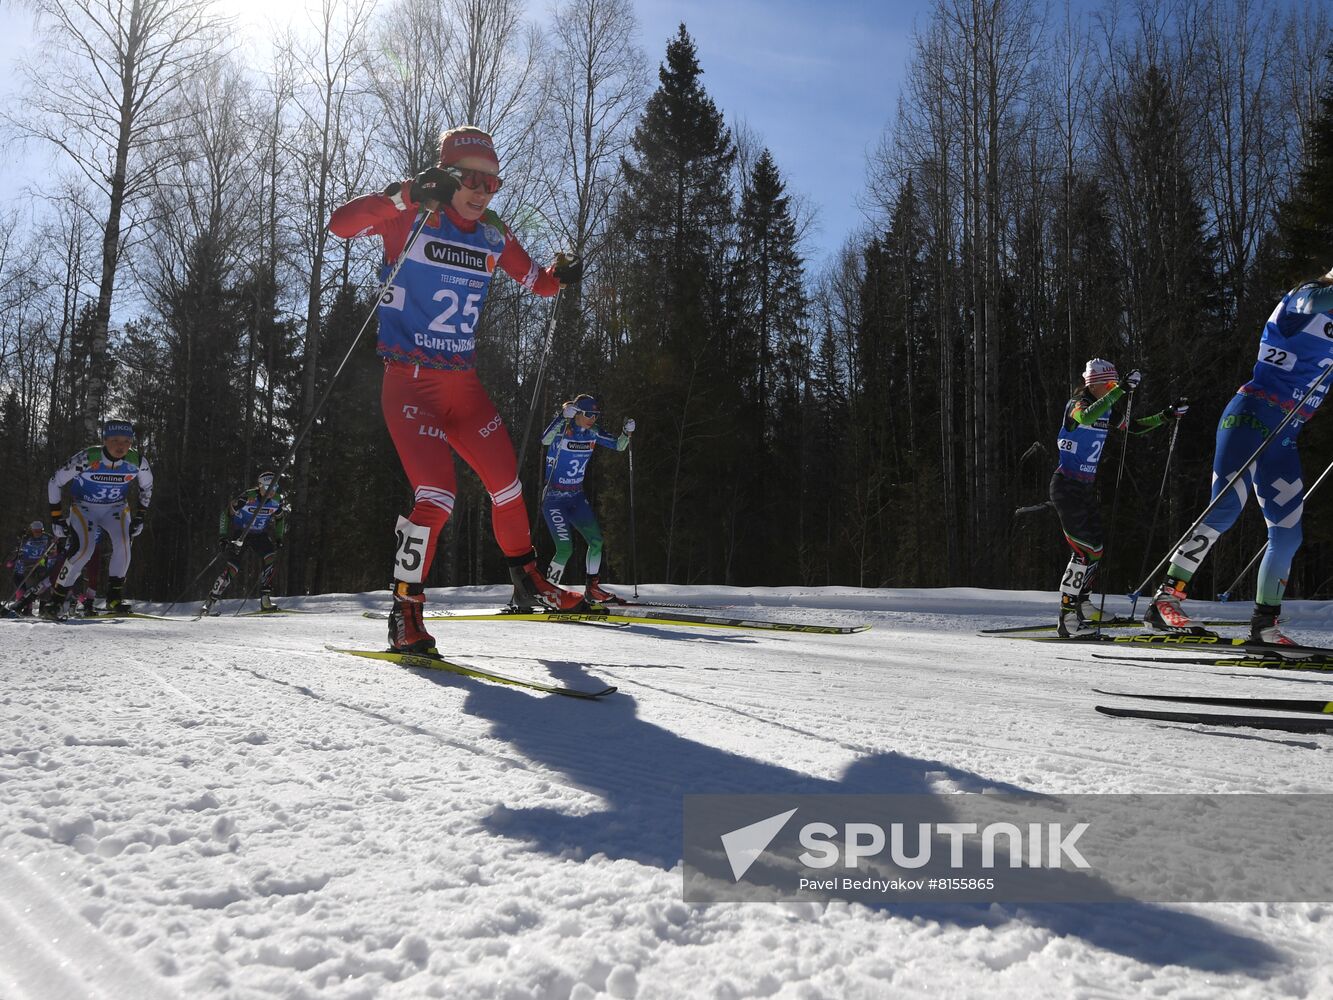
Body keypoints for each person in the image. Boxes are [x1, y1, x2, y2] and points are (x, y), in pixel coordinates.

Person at [328, 124, 585, 654]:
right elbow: (340, 225)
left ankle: (527, 579)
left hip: (463, 387)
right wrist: (403, 193)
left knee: (506, 482)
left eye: (492, 183)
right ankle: (405, 610)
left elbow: (534, 280)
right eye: (471, 178)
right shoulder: (413, 213)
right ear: (447, 175)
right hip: (409, 385)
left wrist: (562, 274)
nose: (481, 191)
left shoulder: (492, 232)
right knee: (438, 496)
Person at [1147, 270, 1333, 644]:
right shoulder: (1307, 295)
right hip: (1250, 414)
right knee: (1226, 507)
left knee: (1288, 533)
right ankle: (1164, 601)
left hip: (1286, 435)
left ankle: (1264, 624)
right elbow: (1315, 303)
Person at [1051, 359, 1187, 637]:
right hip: (1066, 486)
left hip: (1084, 488)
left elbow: (1133, 427)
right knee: (1084, 550)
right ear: (1095, 384)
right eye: (1109, 384)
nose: (1113, 389)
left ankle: (1083, 605)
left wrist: (1166, 416)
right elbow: (1085, 417)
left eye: (1115, 384)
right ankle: (1066, 618)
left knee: (1096, 550)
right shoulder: (1076, 404)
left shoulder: (1107, 406)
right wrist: (1121, 390)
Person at [41, 420, 153, 618]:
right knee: (84, 550)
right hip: (85, 507)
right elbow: (54, 481)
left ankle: (114, 597)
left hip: (116, 507)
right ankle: (56, 600)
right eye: (115, 440)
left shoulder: (137, 461)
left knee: (125, 543)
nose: (121, 446)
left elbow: (148, 487)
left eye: (127, 441)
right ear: (105, 440)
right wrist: (57, 518)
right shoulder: (88, 457)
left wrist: (140, 516)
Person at [539, 394, 634, 603]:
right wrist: (562, 417)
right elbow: (544, 439)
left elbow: (618, 445)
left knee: (597, 541)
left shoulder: (592, 432)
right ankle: (547, 593)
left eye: (596, 415)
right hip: (554, 498)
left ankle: (592, 589)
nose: (593, 418)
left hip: (576, 497)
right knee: (565, 548)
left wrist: (626, 433)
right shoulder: (565, 428)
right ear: (577, 413)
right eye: (589, 414)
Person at [201, 471, 290, 615]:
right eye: (268, 487)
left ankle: (265, 600)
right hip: (241, 534)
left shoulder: (277, 501)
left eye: (274, 487)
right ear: (260, 486)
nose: (271, 491)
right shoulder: (247, 497)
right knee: (233, 568)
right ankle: (209, 602)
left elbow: (280, 518)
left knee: (270, 558)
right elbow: (226, 514)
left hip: (259, 535)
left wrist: (279, 536)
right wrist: (222, 537)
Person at [6, 520, 54, 614]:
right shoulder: (25, 537)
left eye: (40, 531)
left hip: (37, 566)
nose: (38, 533)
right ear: (31, 530)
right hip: (22, 566)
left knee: (38, 588)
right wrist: (13, 559)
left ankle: (39, 609)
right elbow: (15, 545)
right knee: (21, 588)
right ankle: (24, 608)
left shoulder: (46, 537)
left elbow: (54, 543)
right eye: (35, 531)